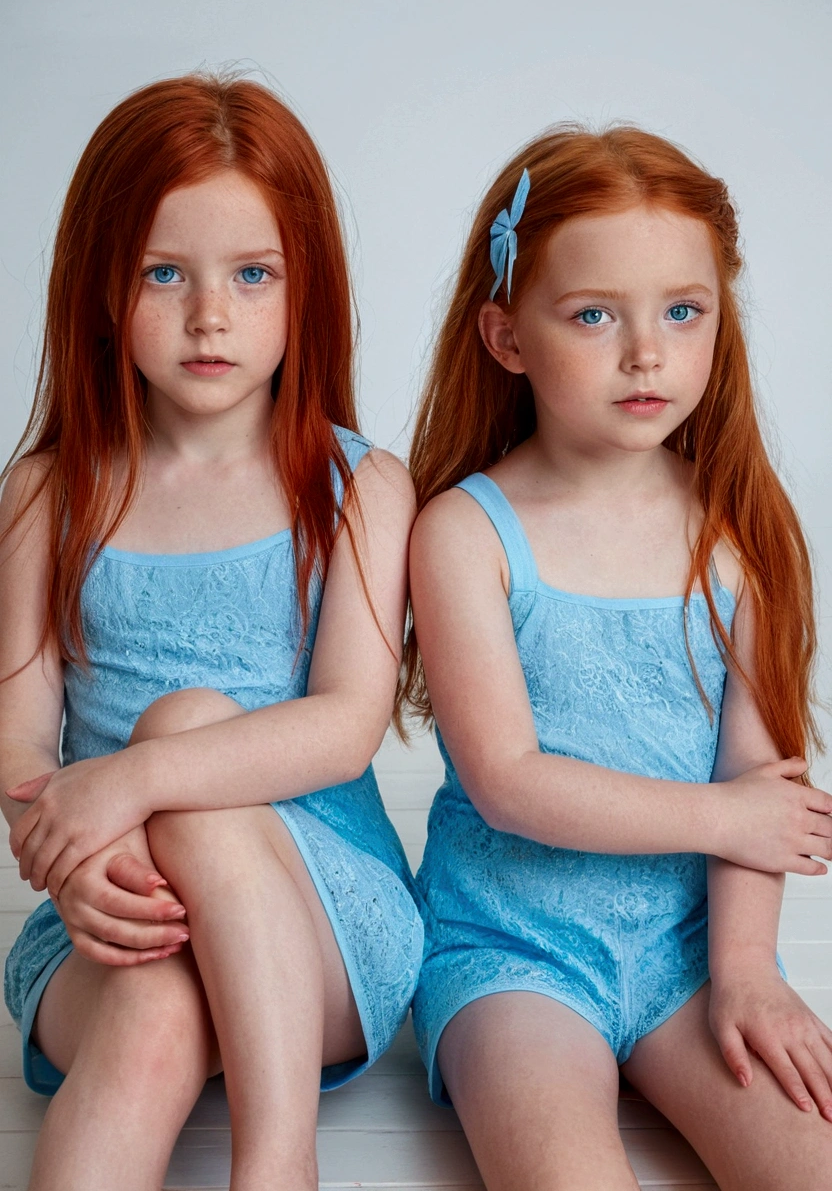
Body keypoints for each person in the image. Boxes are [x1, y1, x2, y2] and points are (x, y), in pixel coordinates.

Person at [0, 73, 422, 1191]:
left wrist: (136, 777)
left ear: (306, 290)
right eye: (162, 273)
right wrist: (71, 847)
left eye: (251, 274)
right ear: (100, 287)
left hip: (322, 912)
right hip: (117, 895)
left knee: (184, 719)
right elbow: (21, 734)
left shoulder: (361, 488)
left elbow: (341, 727)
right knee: (148, 1012)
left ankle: (276, 1162)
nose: (209, 315)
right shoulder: (49, 494)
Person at [404, 126, 832, 1190]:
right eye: (593, 315)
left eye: (681, 312)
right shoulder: (463, 533)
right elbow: (506, 782)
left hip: (693, 951)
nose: (647, 353)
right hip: (514, 948)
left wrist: (742, 973)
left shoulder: (739, 531)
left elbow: (757, 778)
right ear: (506, 338)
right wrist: (726, 818)